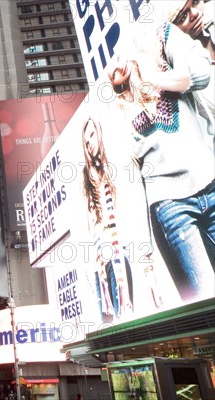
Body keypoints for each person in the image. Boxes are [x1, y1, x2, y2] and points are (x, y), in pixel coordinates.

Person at [106, 19, 215, 302]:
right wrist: (144, 261)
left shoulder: (163, 39)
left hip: (210, 183)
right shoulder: (119, 102)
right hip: (171, 208)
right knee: (206, 303)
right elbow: (130, 186)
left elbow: (202, 72)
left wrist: (153, 76)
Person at [80, 116, 134, 321]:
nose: (90, 143)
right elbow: (90, 226)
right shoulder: (88, 181)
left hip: (119, 255)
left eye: (92, 135)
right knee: (110, 325)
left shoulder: (114, 169)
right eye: (86, 142)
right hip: (100, 263)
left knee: (126, 320)